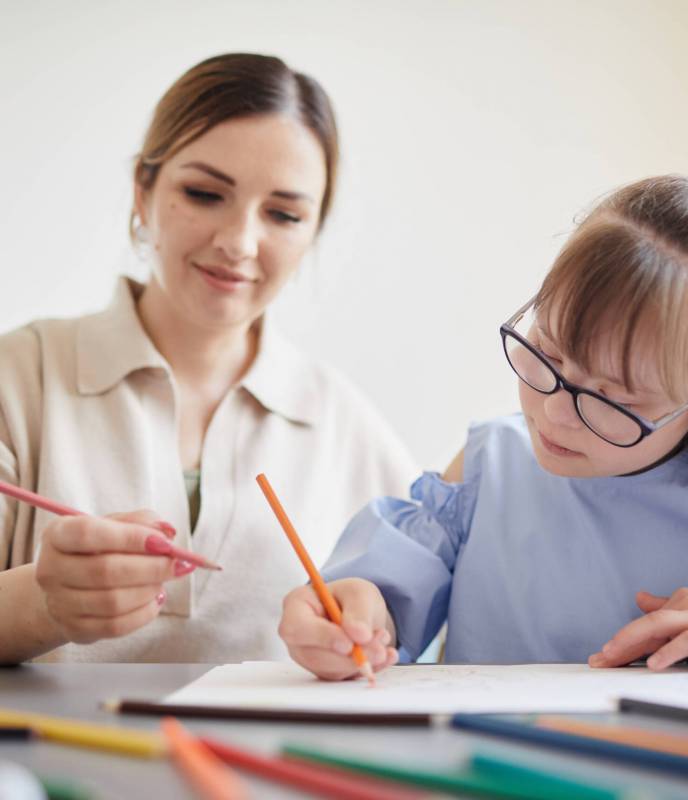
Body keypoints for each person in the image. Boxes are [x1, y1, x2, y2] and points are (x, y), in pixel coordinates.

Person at [279, 175, 688, 680]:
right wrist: (358, 611)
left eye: (610, 398)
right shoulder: (492, 464)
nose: (555, 414)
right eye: (546, 352)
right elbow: (389, 592)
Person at [0, 53, 417, 664]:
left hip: (265, 761)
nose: (239, 243)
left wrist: (374, 628)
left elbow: (419, 631)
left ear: (313, 231)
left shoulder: (345, 426)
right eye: (204, 193)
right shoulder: (20, 378)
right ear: (143, 193)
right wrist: (42, 605)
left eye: (283, 214)